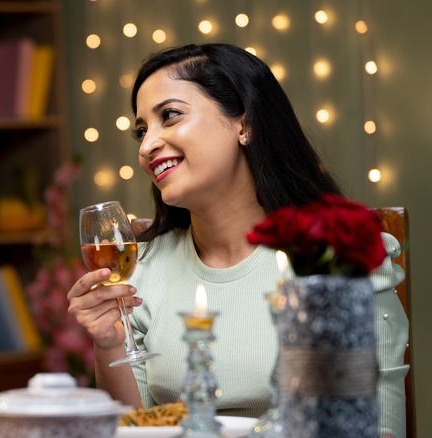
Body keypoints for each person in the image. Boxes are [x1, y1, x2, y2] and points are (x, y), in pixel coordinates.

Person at [66, 43, 408, 437]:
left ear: (245, 125)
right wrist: (108, 345)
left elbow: (377, 427)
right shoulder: (138, 271)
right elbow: (133, 430)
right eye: (141, 131)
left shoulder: (336, 258)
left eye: (170, 116)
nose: (146, 147)